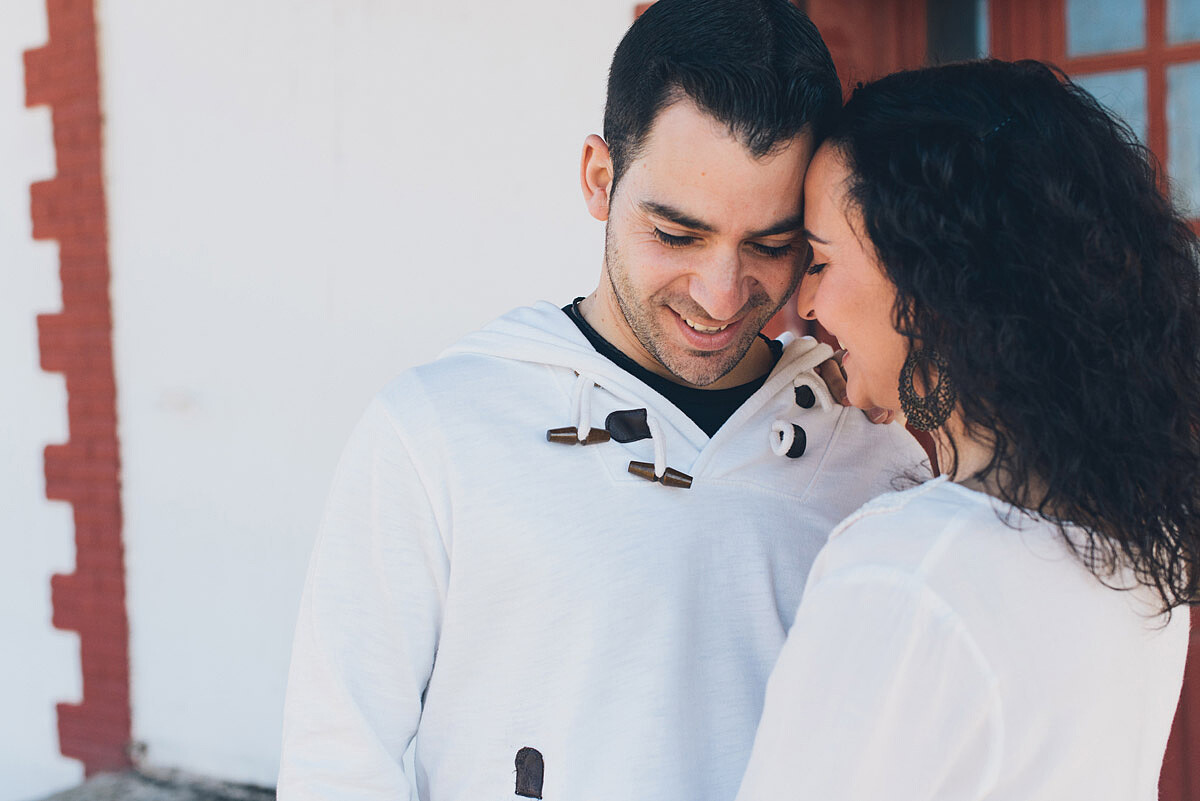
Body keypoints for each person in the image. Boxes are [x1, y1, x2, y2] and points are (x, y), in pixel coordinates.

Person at [276, 1, 927, 799]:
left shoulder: (879, 450)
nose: (721, 296)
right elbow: (337, 762)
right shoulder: (436, 432)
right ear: (598, 178)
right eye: (677, 234)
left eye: (770, 244)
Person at [736, 58, 1200, 800]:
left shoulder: (907, 569)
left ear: (928, 277)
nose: (806, 305)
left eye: (819, 261)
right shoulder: (1135, 547)